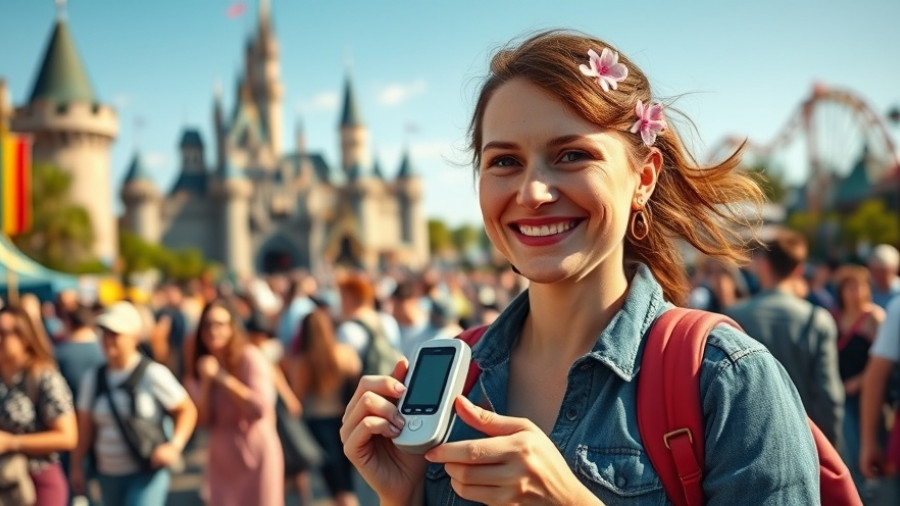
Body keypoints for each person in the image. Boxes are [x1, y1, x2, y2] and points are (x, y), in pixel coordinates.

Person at [340, 30, 820, 505]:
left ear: (643, 178)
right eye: (505, 161)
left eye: (571, 156)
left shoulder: (727, 381)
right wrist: (401, 496)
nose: (532, 193)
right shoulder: (453, 378)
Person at [70, 301, 196, 506]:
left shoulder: (153, 374)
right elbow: (85, 427)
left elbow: (186, 409)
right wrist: (77, 465)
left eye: (115, 334)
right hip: (108, 475)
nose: (108, 340)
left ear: (134, 337)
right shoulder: (93, 379)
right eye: (105, 333)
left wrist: (175, 445)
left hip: (145, 472)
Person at [727, 231, 844, 445]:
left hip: (752, 441)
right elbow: (829, 395)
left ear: (763, 265)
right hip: (805, 439)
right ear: (799, 269)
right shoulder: (816, 319)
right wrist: (831, 448)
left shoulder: (734, 317)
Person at [187, 298, 284, 506]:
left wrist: (222, 378)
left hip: (256, 453)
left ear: (232, 327)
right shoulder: (201, 367)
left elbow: (260, 408)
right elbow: (202, 421)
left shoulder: (250, 357)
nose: (213, 330)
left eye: (220, 324)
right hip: (222, 461)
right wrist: (206, 383)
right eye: (207, 325)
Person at [0, 306, 77, 506]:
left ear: (24, 337)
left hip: (38, 480)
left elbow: (68, 437)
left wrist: (12, 442)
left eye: (3, 333)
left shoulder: (43, 377)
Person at [293, 307, 361, 506]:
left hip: (319, 423)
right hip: (345, 419)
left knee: (336, 485)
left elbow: (298, 396)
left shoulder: (304, 362)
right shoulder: (345, 353)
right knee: (347, 481)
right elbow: (357, 382)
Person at [830, 266, 884, 487]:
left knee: (868, 442)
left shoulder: (874, 317)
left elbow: (883, 362)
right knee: (847, 448)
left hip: (867, 394)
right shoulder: (834, 317)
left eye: (861, 287)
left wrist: (861, 380)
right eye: (850, 287)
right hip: (840, 391)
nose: (856, 292)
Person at [868, 244, 900, 309]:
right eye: (875, 270)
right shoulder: (867, 290)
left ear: (895, 269)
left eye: (883, 271)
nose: (878, 275)